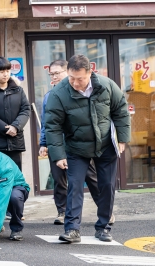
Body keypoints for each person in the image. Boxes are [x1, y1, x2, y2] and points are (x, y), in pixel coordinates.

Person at [45, 54, 130, 243]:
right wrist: (58, 155)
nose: (75, 83)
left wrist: (122, 139)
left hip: (106, 144)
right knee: (75, 186)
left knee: (107, 186)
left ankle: (103, 227)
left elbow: (121, 111)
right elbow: (53, 126)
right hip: (76, 147)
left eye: (80, 78)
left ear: (90, 73)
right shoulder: (59, 92)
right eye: (71, 78)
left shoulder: (107, 85)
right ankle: (72, 229)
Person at [39, 60, 115, 226]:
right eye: (51, 74)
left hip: (78, 145)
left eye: (57, 73)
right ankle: (63, 212)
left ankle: (105, 211)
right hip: (57, 144)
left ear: (68, 72)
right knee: (59, 179)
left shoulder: (87, 90)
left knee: (91, 178)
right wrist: (44, 143)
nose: (54, 76)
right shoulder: (50, 96)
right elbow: (48, 124)